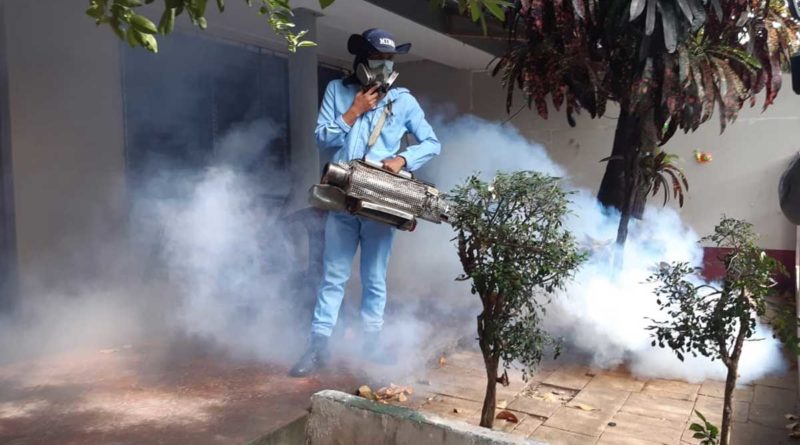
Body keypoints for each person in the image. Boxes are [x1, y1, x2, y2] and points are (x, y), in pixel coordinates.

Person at [290, 28, 441, 377]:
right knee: (333, 276)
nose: (386, 65)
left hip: (380, 202)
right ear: (362, 60)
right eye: (379, 58)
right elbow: (321, 139)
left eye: (390, 60)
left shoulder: (403, 101)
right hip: (342, 198)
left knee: (374, 278)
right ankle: (318, 346)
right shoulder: (337, 92)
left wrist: (403, 159)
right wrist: (354, 111)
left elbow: (432, 142)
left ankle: (372, 343)